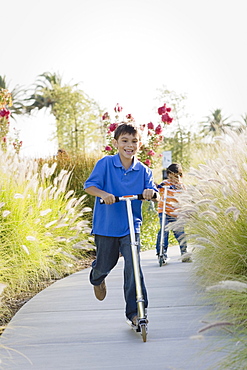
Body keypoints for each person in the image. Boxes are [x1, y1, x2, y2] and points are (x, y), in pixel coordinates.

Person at [84, 123, 158, 326]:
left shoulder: (144, 171)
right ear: (116, 143)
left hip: (130, 227)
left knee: (134, 267)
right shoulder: (106, 164)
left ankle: (136, 313)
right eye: (124, 141)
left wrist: (151, 193)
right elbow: (90, 186)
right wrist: (104, 194)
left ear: (139, 145)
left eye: (134, 141)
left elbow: (152, 191)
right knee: (105, 264)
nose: (129, 145)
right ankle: (97, 278)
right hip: (107, 226)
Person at [155, 163, 191, 262]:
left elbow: (185, 199)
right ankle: (161, 252)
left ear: (180, 176)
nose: (172, 180)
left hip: (177, 213)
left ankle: (184, 252)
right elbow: (158, 189)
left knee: (180, 233)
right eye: (170, 177)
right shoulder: (165, 184)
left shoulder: (182, 186)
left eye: (175, 177)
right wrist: (157, 187)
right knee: (164, 230)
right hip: (164, 211)